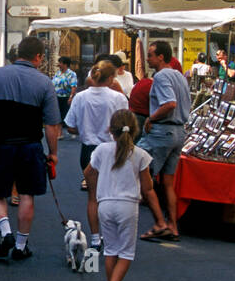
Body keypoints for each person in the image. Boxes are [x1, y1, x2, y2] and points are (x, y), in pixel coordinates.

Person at [0, 35, 60, 261]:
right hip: (31, 145)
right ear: (39, 57)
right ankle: (21, 246)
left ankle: (5, 232)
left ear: (18, 54)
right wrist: (53, 153)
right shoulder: (44, 83)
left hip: (1, 143)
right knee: (26, 194)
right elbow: (52, 124)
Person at [84, 109, 168, 281]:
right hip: (128, 206)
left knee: (111, 250)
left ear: (110, 130)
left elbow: (88, 172)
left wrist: (95, 190)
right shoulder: (140, 155)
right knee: (127, 252)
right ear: (136, 130)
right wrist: (159, 217)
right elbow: (148, 188)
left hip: (105, 204)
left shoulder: (102, 150)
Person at [138, 40, 190, 242]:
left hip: (163, 132)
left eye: (150, 55)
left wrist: (152, 117)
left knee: (144, 177)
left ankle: (160, 223)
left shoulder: (161, 76)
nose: (148, 58)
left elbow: (169, 103)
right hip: (178, 133)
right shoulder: (180, 76)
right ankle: (172, 226)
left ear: (161, 57)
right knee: (168, 183)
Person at [64, 60, 129, 211]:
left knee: (93, 198)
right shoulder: (118, 98)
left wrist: (86, 129)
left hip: (87, 150)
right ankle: (109, 232)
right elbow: (125, 125)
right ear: (111, 78)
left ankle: (94, 234)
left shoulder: (80, 97)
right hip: (111, 150)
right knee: (111, 195)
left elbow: (70, 127)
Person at [52, 56, 78, 123]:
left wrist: (71, 97)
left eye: (60, 63)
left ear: (65, 64)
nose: (58, 64)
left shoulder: (72, 74)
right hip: (56, 97)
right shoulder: (58, 73)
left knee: (64, 116)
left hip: (65, 97)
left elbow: (74, 86)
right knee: (57, 116)